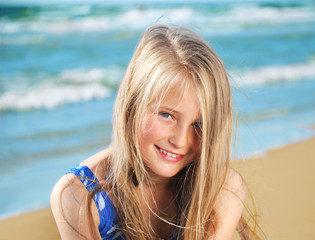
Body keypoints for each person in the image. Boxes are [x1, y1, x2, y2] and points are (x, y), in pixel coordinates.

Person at [51, 25, 257, 240]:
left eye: (199, 124)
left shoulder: (222, 189)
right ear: (132, 105)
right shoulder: (79, 194)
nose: (180, 140)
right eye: (167, 115)